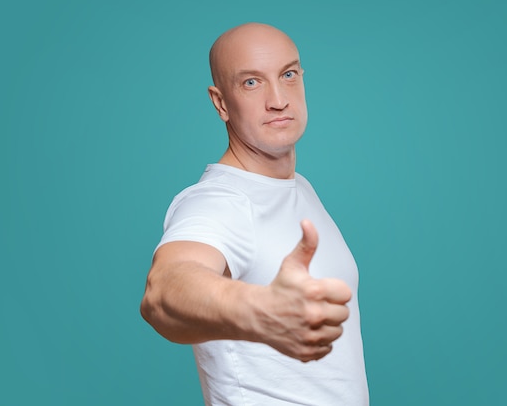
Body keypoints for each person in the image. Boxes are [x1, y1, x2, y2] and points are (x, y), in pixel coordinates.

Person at [140, 22, 369, 405]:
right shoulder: (219, 201)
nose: (278, 99)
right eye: (251, 83)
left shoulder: (298, 187)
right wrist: (260, 310)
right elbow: (163, 292)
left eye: (289, 75)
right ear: (221, 103)